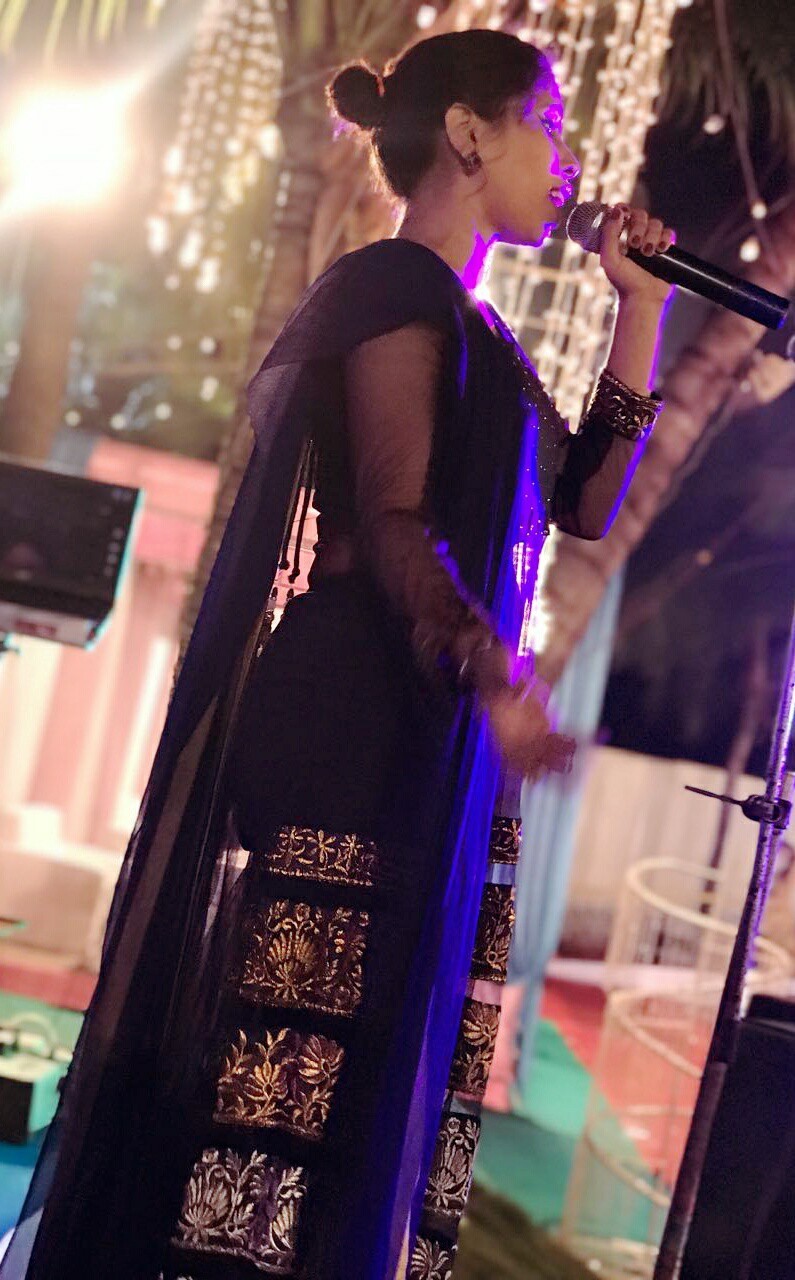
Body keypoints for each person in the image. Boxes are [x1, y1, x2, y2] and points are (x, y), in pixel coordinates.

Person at [0, 28, 675, 1280]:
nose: (568, 161)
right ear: (467, 134)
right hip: (348, 726)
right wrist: (497, 671)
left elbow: (584, 500)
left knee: (367, 1084)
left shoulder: (483, 333)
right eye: (546, 123)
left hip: (423, 729)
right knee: (287, 1089)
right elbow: (392, 518)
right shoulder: (391, 292)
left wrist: (642, 309)